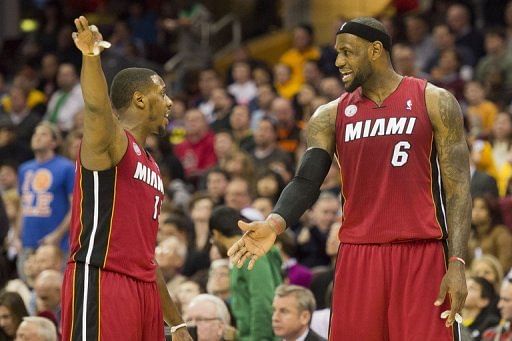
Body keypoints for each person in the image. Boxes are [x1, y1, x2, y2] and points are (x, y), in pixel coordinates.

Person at [228, 17, 471, 340]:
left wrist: (457, 262)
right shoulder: (329, 115)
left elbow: (458, 189)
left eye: (347, 52)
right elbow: (306, 180)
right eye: (336, 53)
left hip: (422, 253)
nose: (338, 61)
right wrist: (274, 223)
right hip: (359, 253)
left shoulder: (434, 100)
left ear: (375, 50)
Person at [60, 16, 191, 341]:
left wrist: (176, 323)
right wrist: (91, 59)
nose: (170, 101)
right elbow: (95, 109)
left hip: (143, 290)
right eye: (162, 93)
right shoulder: (112, 143)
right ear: (140, 99)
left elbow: (146, 258)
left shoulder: (153, 167)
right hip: (103, 279)